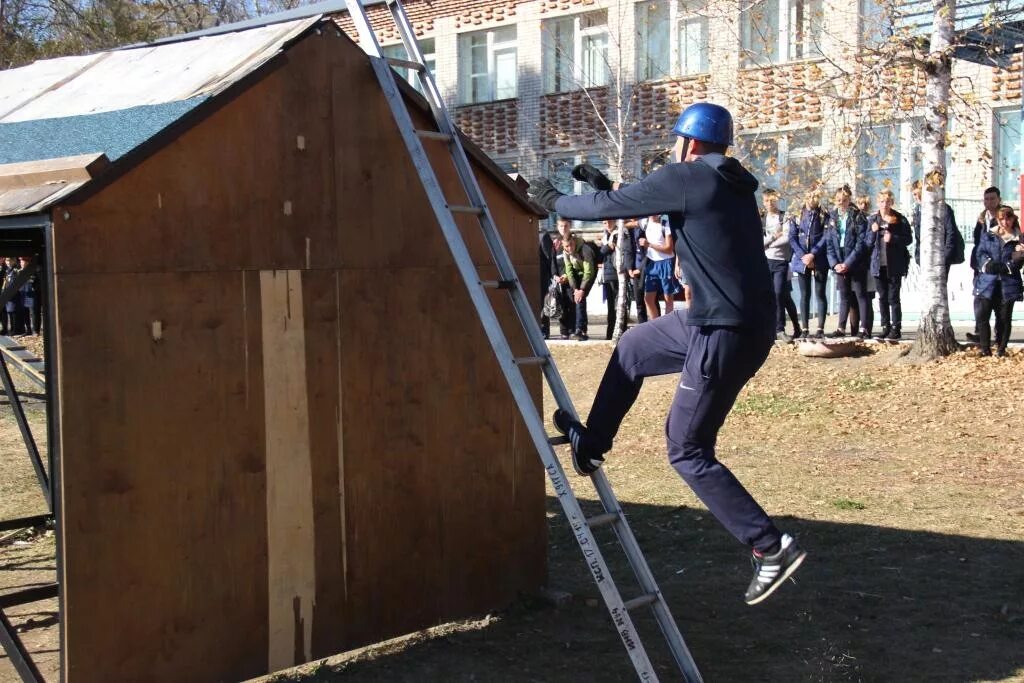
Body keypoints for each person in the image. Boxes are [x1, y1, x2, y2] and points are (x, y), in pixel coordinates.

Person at [527, 102, 806, 606]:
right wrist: (601, 183)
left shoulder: (691, 177)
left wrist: (552, 198)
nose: (672, 151)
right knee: (633, 345)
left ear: (690, 144)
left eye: (675, 142)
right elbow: (641, 201)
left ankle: (769, 547)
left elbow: (612, 209)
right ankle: (592, 443)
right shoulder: (726, 182)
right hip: (725, 321)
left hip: (724, 330)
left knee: (687, 447)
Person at [974, 206, 1023, 357]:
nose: (1005, 222)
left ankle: (1001, 349)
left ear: (1013, 219)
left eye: (1008, 218)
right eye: (1001, 219)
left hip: (1008, 283)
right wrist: (987, 265)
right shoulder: (989, 235)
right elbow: (980, 253)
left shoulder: (1019, 238)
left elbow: (1019, 259)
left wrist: (1008, 266)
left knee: (1004, 318)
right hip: (987, 282)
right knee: (982, 316)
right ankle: (984, 348)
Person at [865, 190, 913, 340]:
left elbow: (908, 239)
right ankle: (885, 326)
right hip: (878, 264)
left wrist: (893, 238)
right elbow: (867, 242)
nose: (884, 204)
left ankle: (896, 327)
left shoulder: (899, 219)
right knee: (882, 297)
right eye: (881, 201)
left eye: (887, 201)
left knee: (894, 297)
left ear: (892, 202)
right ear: (877, 202)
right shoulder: (873, 219)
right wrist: (873, 233)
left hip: (894, 264)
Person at [825, 185, 871, 339]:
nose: (841, 203)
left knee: (860, 295)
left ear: (849, 200)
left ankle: (864, 328)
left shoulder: (858, 216)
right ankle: (841, 327)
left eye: (844, 200)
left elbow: (861, 243)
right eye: (838, 200)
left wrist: (848, 263)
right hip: (839, 259)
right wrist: (835, 264)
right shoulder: (832, 217)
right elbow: (829, 244)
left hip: (855, 261)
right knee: (844, 296)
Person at [788, 188, 829, 339]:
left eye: (816, 196)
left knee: (820, 293)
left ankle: (820, 329)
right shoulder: (797, 215)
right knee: (805, 295)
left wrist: (813, 254)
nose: (812, 199)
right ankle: (804, 328)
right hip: (801, 260)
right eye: (810, 196)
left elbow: (826, 237)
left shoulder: (824, 215)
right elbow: (792, 238)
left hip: (819, 259)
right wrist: (803, 256)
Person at [761, 189, 801, 340]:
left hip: (781, 262)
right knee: (779, 296)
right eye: (766, 200)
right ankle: (776, 328)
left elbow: (786, 238)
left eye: (772, 200)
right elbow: (759, 241)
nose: (769, 203)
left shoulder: (785, 217)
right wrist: (771, 238)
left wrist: (768, 244)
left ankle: (780, 329)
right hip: (766, 261)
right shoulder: (762, 219)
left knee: (779, 293)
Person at [968, 187, 1002, 343]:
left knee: (998, 302)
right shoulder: (982, 219)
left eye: (992, 199)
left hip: (998, 267)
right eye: (986, 199)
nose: (989, 202)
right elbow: (977, 242)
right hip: (981, 266)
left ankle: (999, 334)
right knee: (980, 300)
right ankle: (980, 333)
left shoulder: (1004, 218)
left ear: (998, 200)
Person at [600, 220, 638, 339]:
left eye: (609, 222)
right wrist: (607, 247)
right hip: (607, 273)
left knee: (621, 304)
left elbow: (627, 251)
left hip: (618, 272)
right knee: (611, 306)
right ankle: (610, 333)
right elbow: (601, 252)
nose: (607, 225)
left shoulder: (620, 233)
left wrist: (627, 267)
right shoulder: (605, 235)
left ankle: (620, 331)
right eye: (605, 223)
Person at [910, 180, 961, 270]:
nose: (918, 197)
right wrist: (918, 257)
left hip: (941, 257)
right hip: (925, 257)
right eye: (914, 194)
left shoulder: (942, 208)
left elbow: (951, 232)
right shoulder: (917, 211)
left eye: (920, 193)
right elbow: (918, 237)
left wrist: (945, 256)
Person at [638, 214, 679, 319]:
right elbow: (630, 223)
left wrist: (649, 245)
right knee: (648, 298)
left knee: (668, 298)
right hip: (652, 263)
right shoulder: (645, 222)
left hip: (666, 262)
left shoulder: (665, 223)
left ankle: (668, 327)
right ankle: (655, 326)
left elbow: (669, 249)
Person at [562, 233, 597, 341]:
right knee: (577, 297)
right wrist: (575, 289)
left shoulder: (585, 249)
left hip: (589, 273)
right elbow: (569, 271)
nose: (569, 248)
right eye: (566, 246)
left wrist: (582, 289)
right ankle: (581, 329)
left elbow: (588, 272)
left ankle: (580, 329)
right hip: (577, 272)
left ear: (574, 242)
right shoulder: (566, 253)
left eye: (571, 245)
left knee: (581, 298)